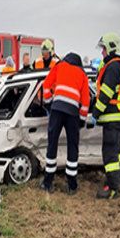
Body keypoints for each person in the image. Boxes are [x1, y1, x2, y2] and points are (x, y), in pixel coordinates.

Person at [40, 52, 90, 195]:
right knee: (72, 146)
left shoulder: (59, 66)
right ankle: (72, 185)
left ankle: (48, 182)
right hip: (72, 113)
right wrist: (82, 118)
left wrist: (49, 103)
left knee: (52, 144)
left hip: (57, 110)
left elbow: (46, 85)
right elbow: (86, 101)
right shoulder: (82, 73)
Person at [92, 32, 120, 199]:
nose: (102, 52)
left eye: (104, 49)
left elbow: (106, 94)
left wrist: (95, 113)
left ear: (111, 48)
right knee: (115, 152)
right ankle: (116, 181)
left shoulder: (114, 66)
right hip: (118, 117)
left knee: (110, 154)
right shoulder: (118, 65)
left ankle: (112, 189)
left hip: (113, 118)